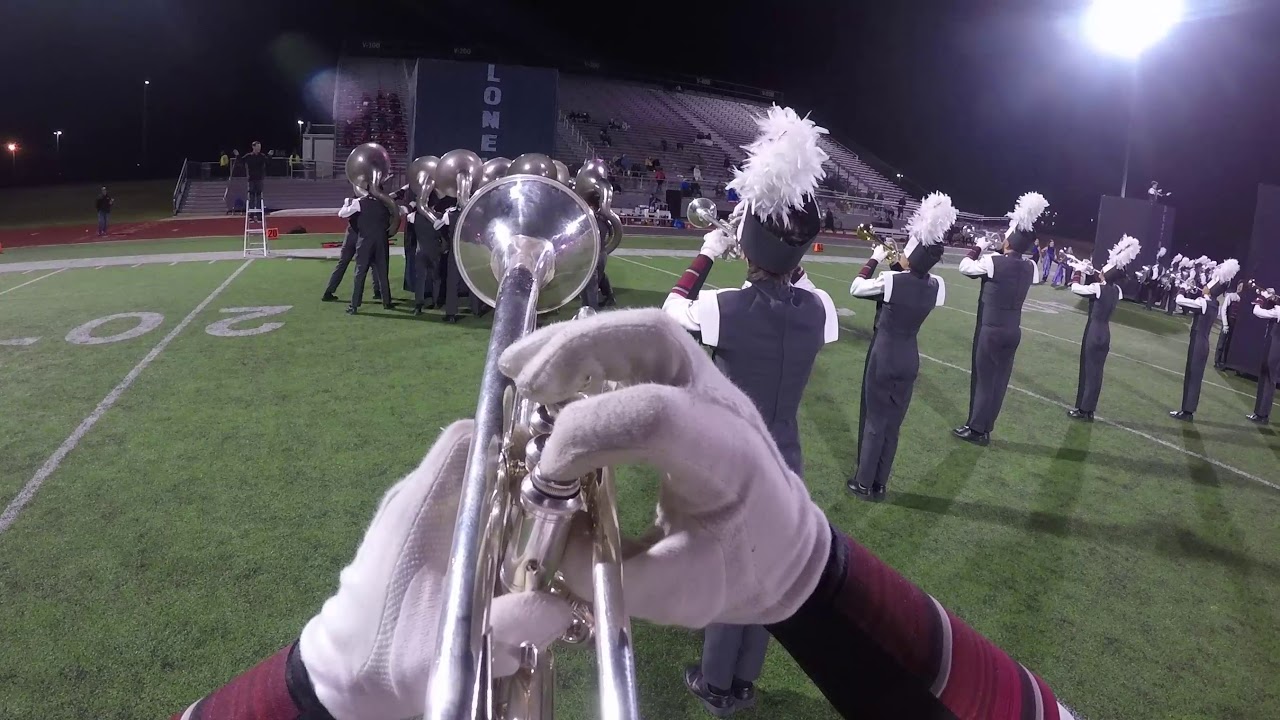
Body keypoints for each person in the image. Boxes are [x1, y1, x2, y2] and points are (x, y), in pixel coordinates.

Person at [167, 310, 1077, 720]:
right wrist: (820, 580)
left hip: (719, 466)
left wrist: (312, 691)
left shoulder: (727, 298)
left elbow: (683, 307)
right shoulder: (815, 303)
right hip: (751, 466)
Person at [662, 106, 838, 715]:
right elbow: (803, 281)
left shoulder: (724, 307)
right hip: (788, 461)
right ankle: (744, 681)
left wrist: (710, 250)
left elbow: (669, 315)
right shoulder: (820, 311)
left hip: (734, 464)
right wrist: (780, 248)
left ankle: (715, 684)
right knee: (765, 578)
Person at [847, 193, 955, 501]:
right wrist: (903, 262)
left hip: (885, 353)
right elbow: (913, 273)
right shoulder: (936, 286)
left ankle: (864, 483)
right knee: (893, 424)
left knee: (875, 420)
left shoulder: (893, 282)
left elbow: (857, 287)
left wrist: (876, 258)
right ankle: (881, 482)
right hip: (910, 356)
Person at [953, 192, 1048, 446]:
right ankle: (985, 428)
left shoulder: (994, 261)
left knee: (984, 380)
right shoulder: (1031, 267)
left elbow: (965, 267)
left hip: (991, 328)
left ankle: (975, 429)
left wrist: (979, 247)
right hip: (1013, 329)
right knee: (999, 382)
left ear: (1009, 242)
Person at [1066, 235, 1140, 420]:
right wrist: (1094, 273)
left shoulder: (1099, 288)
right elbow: (1102, 283)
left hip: (1093, 331)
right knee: (1097, 373)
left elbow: (1076, 288)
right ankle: (1090, 409)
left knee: (1088, 370)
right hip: (1105, 332)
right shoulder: (1117, 291)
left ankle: (1082, 409)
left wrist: (1078, 272)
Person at [1170, 258, 1240, 420]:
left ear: (1211, 290)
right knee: (1195, 377)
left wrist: (1182, 288)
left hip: (1198, 343)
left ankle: (1186, 411)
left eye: (1207, 285)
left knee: (1192, 376)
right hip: (1203, 342)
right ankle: (1188, 409)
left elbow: (1180, 301)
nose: (1205, 286)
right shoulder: (1213, 303)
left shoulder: (1204, 303)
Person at [342, 188, 395, 315]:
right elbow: (399, 213)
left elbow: (342, 213)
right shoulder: (385, 203)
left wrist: (347, 202)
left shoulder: (359, 202)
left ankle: (354, 305)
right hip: (382, 241)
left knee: (360, 273)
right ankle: (386, 301)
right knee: (382, 273)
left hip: (365, 241)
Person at [1247, 287, 1280, 423]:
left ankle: (1262, 414)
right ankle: (1260, 413)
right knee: (1265, 377)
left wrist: (1262, 298)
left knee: (1269, 378)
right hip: (1273, 344)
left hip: (1275, 346)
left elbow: (1258, 312)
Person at [322, 196, 362, 302]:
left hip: (351, 234)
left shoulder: (352, 200)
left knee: (342, 263)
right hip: (360, 235)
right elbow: (341, 214)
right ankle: (377, 292)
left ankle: (329, 291)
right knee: (370, 262)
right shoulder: (360, 201)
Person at [1214, 282, 1242, 369]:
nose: (1239, 288)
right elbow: (1224, 309)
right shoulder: (1231, 296)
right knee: (1222, 342)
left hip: (1235, 324)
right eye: (1239, 286)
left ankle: (1224, 361)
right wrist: (1225, 323)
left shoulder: (1243, 299)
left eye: (1242, 287)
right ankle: (1217, 361)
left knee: (1229, 344)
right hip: (1228, 322)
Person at [240, 141, 269, 210]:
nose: (259, 148)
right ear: (253, 147)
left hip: (259, 179)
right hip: (251, 179)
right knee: (251, 196)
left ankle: (259, 215)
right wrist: (237, 155)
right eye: (258, 147)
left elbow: (268, 162)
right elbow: (241, 161)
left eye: (260, 147)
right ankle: (251, 215)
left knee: (259, 196)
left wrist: (270, 156)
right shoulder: (249, 156)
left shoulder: (262, 156)